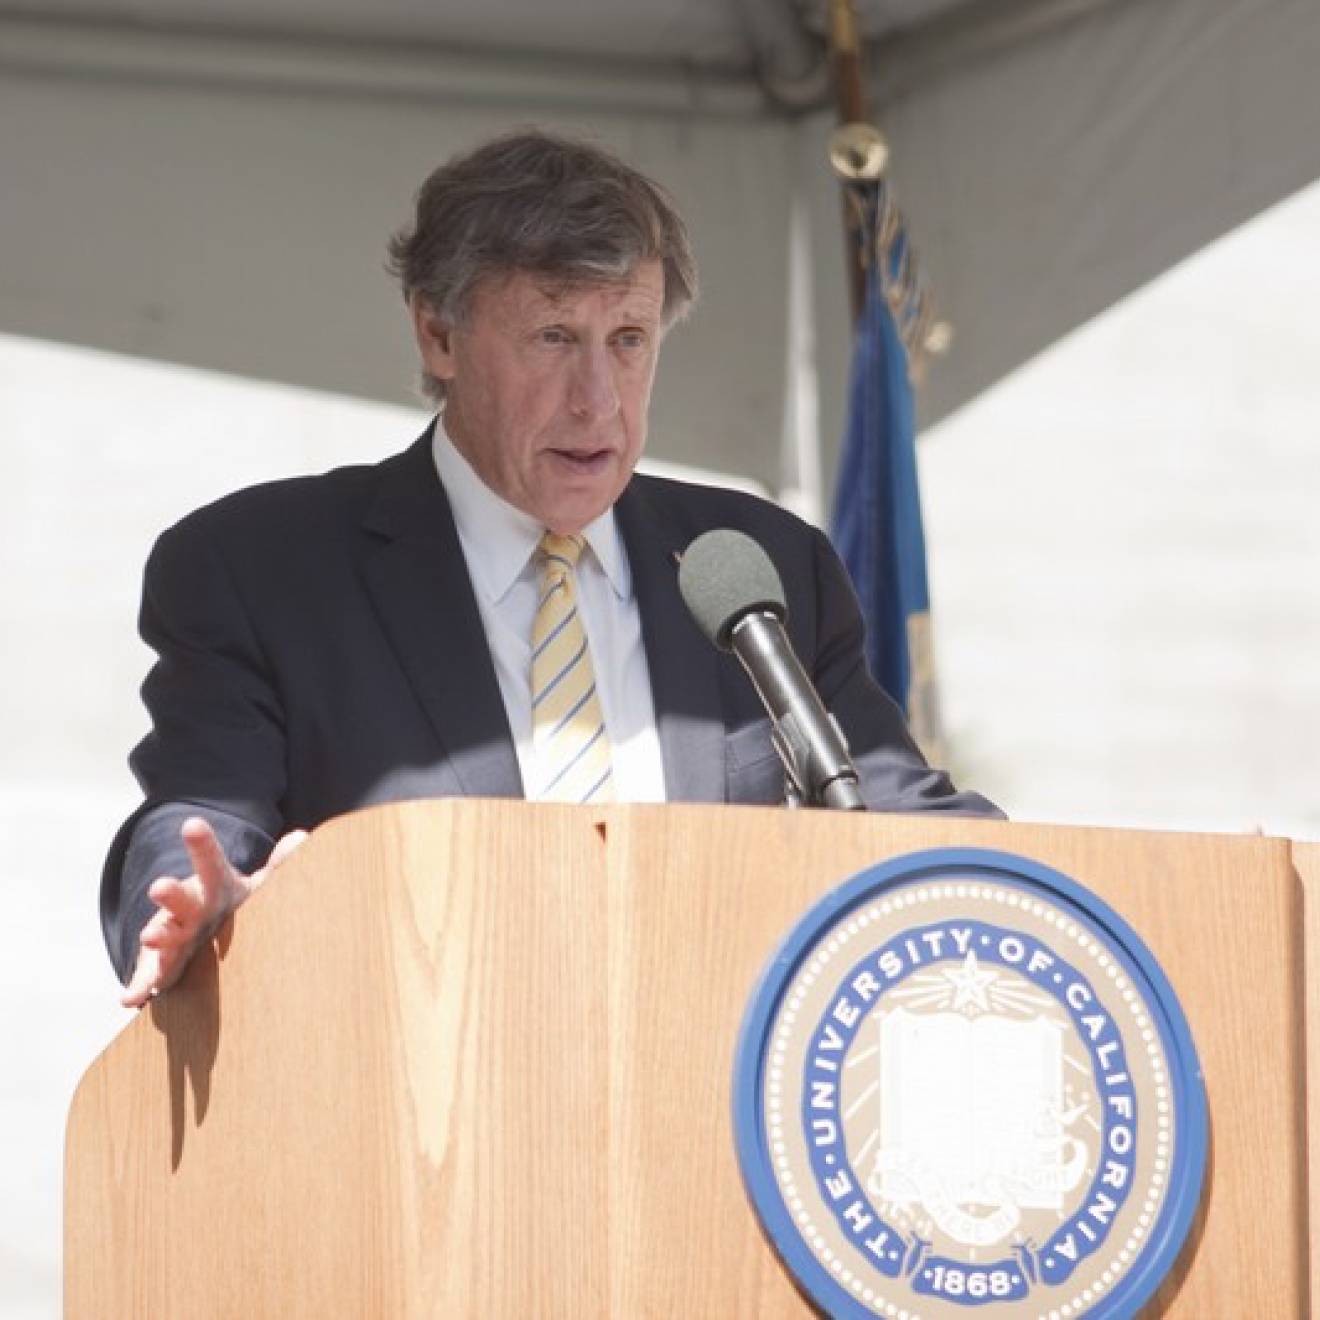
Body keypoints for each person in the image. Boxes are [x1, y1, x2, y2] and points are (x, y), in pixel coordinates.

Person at [102, 130, 998, 1008]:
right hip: (421, 1121)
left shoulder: (759, 567)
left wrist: (1070, 889)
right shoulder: (261, 571)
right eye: (554, 336)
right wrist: (195, 901)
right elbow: (202, 819)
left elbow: (902, 817)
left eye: (630, 339)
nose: (598, 398)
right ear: (437, 335)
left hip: (711, 1113)